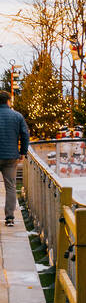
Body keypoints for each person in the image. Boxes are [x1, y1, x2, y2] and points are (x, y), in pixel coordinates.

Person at [0, 91, 29, 227]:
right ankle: (10, 217)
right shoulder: (17, 116)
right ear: (8, 101)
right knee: (10, 186)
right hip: (11, 156)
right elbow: (25, 135)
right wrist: (23, 152)